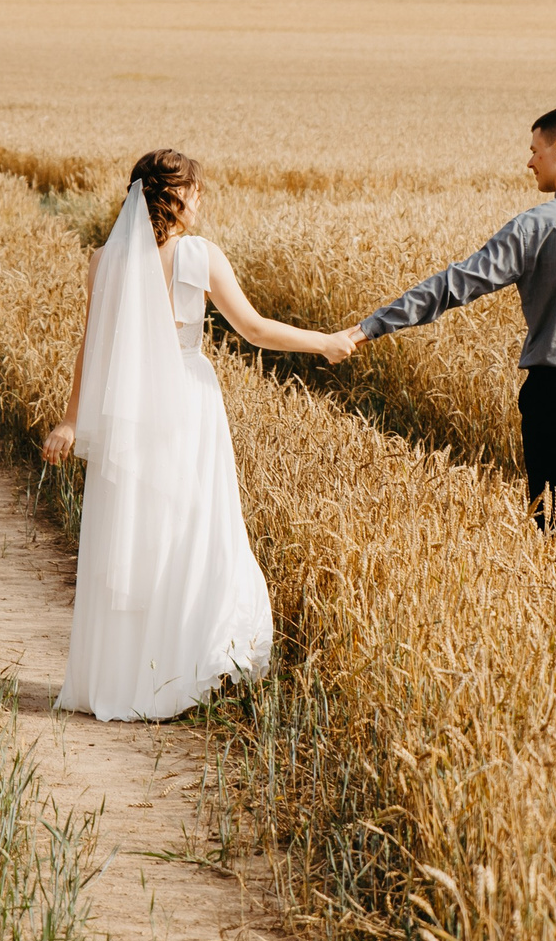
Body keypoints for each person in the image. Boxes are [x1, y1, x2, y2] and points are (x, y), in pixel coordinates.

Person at [41, 149, 356, 721]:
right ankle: (185, 668)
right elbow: (255, 329)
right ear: (173, 197)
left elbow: (93, 348)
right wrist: (326, 341)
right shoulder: (199, 257)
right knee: (195, 529)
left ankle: (127, 675)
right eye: (195, 189)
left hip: (127, 409)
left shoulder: (104, 259)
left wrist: (71, 418)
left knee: (136, 533)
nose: (201, 198)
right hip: (187, 402)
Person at [339, 105, 556, 529]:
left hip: (553, 397)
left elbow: (454, 285)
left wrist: (370, 327)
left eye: (535, 150)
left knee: (552, 534)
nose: (529, 161)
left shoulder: (532, 227)